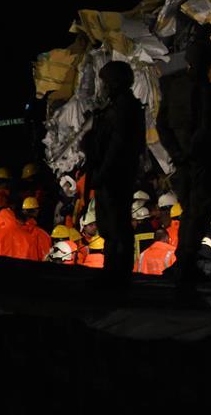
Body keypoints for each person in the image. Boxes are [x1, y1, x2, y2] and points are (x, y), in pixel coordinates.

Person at [156, 38, 211, 293]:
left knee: (191, 212)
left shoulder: (173, 87)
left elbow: (162, 125)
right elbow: (208, 128)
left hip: (183, 160)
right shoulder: (206, 92)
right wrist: (193, 151)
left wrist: (176, 151)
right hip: (199, 161)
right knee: (198, 212)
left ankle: (185, 261)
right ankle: (186, 262)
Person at [85, 60, 145, 287]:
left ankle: (117, 272)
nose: (104, 86)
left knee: (115, 225)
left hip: (115, 176)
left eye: (106, 82)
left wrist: (102, 173)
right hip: (113, 175)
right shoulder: (117, 108)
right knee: (110, 225)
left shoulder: (124, 108)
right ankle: (114, 270)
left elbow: (117, 146)